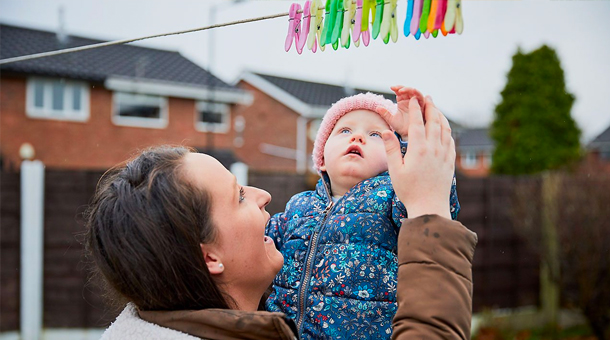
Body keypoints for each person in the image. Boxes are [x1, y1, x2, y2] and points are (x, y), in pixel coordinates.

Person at [85, 91, 477, 340]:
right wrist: (432, 209)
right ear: (209, 257)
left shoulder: (156, 316)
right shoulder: (301, 210)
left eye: (376, 135)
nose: (265, 196)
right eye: (239, 196)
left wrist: (411, 151)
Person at [264, 87, 460, 339]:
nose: (357, 137)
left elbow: (435, 207)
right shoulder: (297, 206)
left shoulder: (393, 198)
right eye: (345, 130)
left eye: (376, 134)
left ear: (397, 159)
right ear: (321, 157)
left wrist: (413, 135)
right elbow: (259, 243)